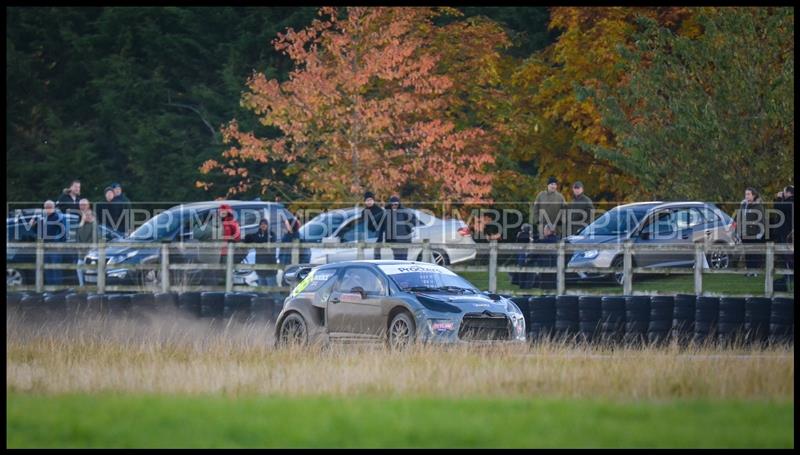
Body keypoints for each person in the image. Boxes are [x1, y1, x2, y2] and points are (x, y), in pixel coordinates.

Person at [29, 200, 68, 285]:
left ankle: (58, 289)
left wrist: (61, 244)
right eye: (46, 207)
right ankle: (50, 289)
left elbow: (64, 232)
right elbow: (38, 233)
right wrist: (33, 226)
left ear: (54, 208)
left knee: (56, 269)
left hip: (55, 247)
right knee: (47, 269)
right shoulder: (43, 218)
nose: (48, 209)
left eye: (50, 207)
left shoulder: (58, 218)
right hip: (44, 247)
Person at [378, 195, 418, 261]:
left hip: (404, 240)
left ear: (398, 204)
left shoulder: (404, 212)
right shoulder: (387, 214)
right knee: (397, 258)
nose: (394, 206)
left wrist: (408, 228)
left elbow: (414, 220)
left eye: (396, 204)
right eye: (392, 204)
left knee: (403, 258)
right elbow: (383, 226)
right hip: (393, 240)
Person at [738, 187, 766, 276]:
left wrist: (760, 233)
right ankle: (749, 271)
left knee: (755, 253)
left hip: (755, 234)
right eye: (745, 194)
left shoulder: (758, 206)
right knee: (748, 253)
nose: (746, 196)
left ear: (753, 195)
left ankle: (755, 272)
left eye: (748, 194)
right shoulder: (743, 205)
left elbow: (762, 220)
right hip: (745, 233)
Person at [192, 211, 223, 284]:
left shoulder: (207, 228)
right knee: (212, 275)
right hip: (216, 256)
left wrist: (196, 225)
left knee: (208, 278)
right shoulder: (220, 226)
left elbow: (195, 234)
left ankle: (210, 292)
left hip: (206, 257)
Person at [244, 218, 277, 287]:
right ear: (259, 225)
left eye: (265, 224)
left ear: (268, 225)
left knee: (272, 289)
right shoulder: (256, 235)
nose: (263, 225)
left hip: (270, 267)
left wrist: (257, 240)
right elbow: (247, 239)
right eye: (262, 224)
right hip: (260, 268)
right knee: (261, 291)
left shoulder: (272, 234)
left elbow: (267, 241)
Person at [75, 209, 103, 287]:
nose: (86, 216)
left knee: (91, 270)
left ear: (92, 216)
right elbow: (78, 238)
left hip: (91, 252)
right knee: (80, 269)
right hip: (82, 252)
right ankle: (82, 285)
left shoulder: (95, 226)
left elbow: (96, 239)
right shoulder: (81, 226)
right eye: (85, 215)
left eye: (88, 215)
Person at [532, 224, 559, 289]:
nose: (544, 232)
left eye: (544, 230)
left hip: (545, 266)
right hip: (556, 265)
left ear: (548, 230)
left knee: (545, 284)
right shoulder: (558, 239)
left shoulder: (544, 241)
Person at [361, 191, 385, 259]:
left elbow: (383, 224)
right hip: (367, 237)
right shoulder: (364, 212)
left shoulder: (379, 210)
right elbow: (363, 224)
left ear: (373, 200)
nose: (369, 202)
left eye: (370, 200)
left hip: (378, 237)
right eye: (367, 200)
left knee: (376, 256)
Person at [513, 223, 536, 289]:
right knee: (529, 273)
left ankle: (522, 285)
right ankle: (527, 286)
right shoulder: (530, 236)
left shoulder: (519, 235)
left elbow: (517, 244)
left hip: (521, 256)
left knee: (521, 272)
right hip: (527, 255)